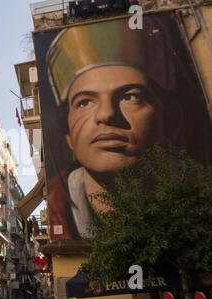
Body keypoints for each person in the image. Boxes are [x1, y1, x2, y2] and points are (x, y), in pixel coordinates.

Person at [45, 16, 211, 240]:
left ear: (169, 121)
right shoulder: (58, 205)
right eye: (85, 101)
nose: (107, 114)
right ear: (68, 136)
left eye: (130, 96)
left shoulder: (199, 193)